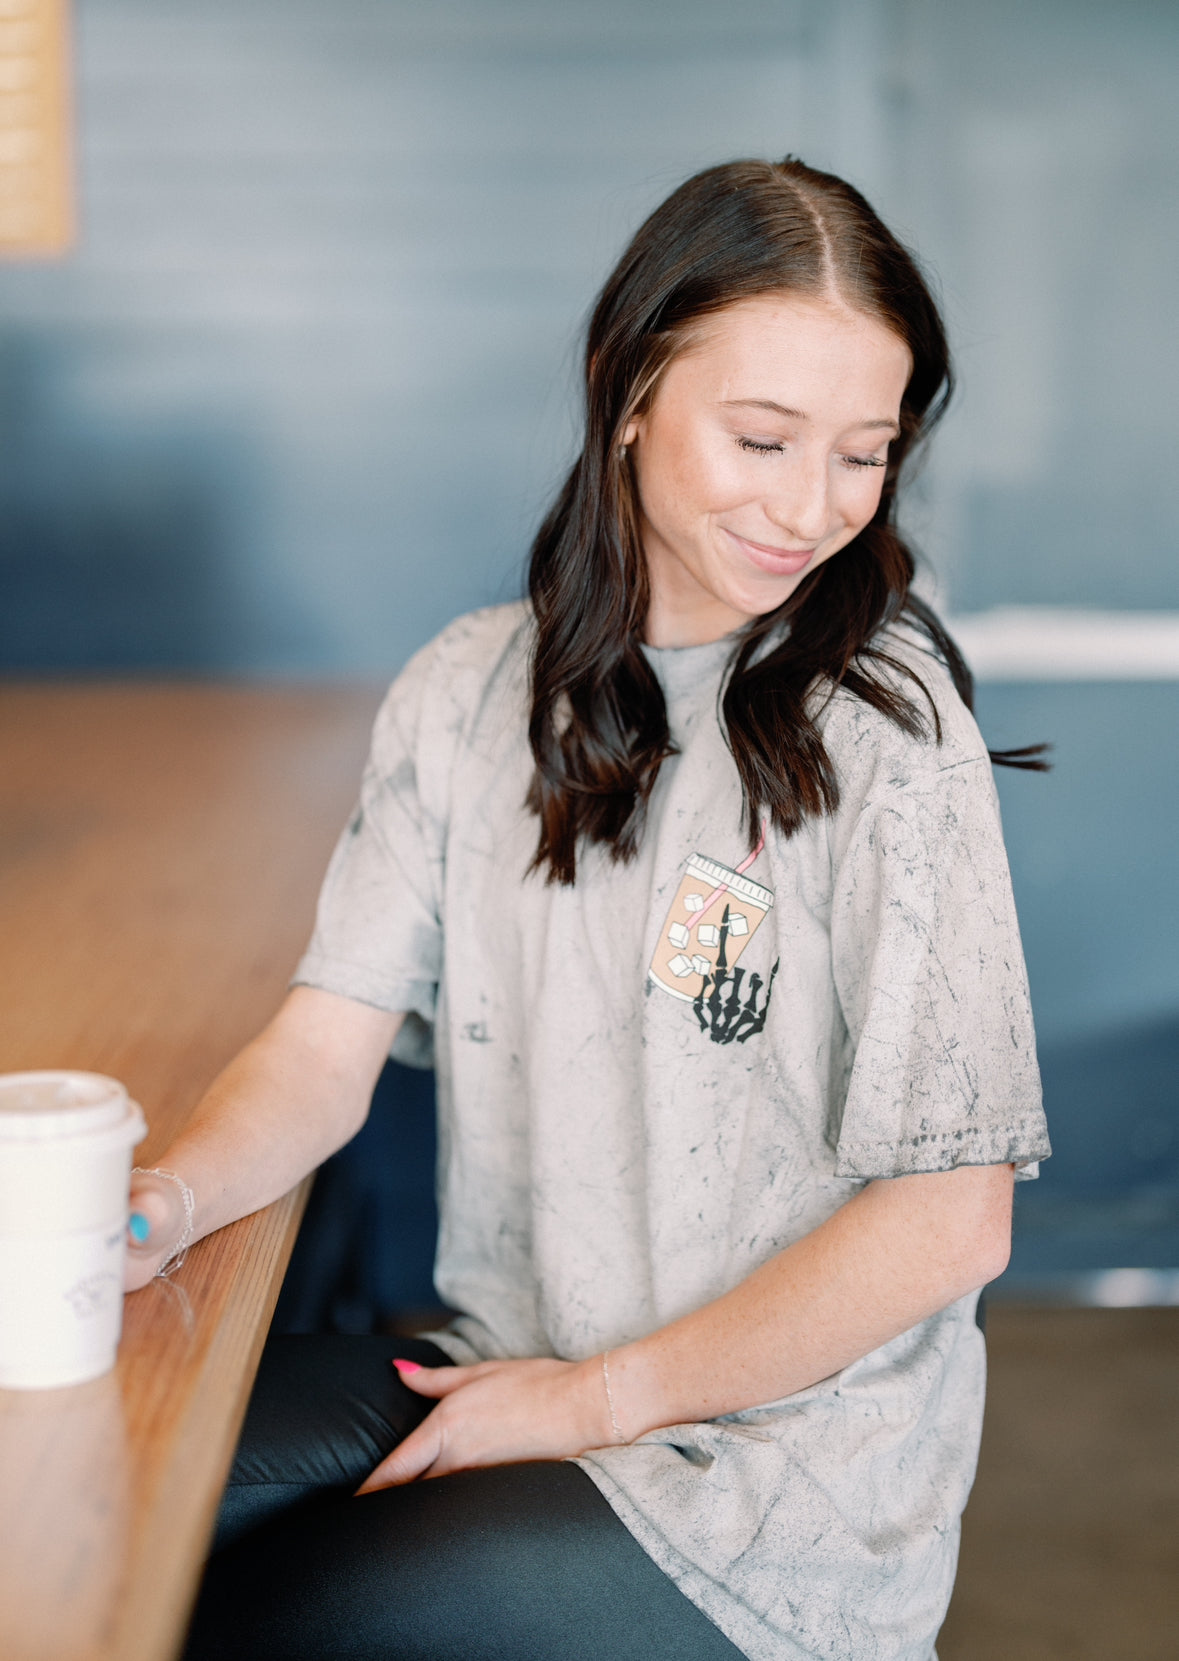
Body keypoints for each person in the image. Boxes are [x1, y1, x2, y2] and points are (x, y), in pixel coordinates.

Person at [127, 157, 1050, 1661]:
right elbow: (320, 1050)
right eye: (761, 438)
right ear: (628, 393)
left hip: (771, 1480)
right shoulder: (468, 690)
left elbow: (954, 1220)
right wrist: (153, 1207)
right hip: (518, 1356)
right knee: (124, 1494)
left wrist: (596, 1400)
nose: (808, 507)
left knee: (249, 1620)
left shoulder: (889, 732)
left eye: (861, 455)